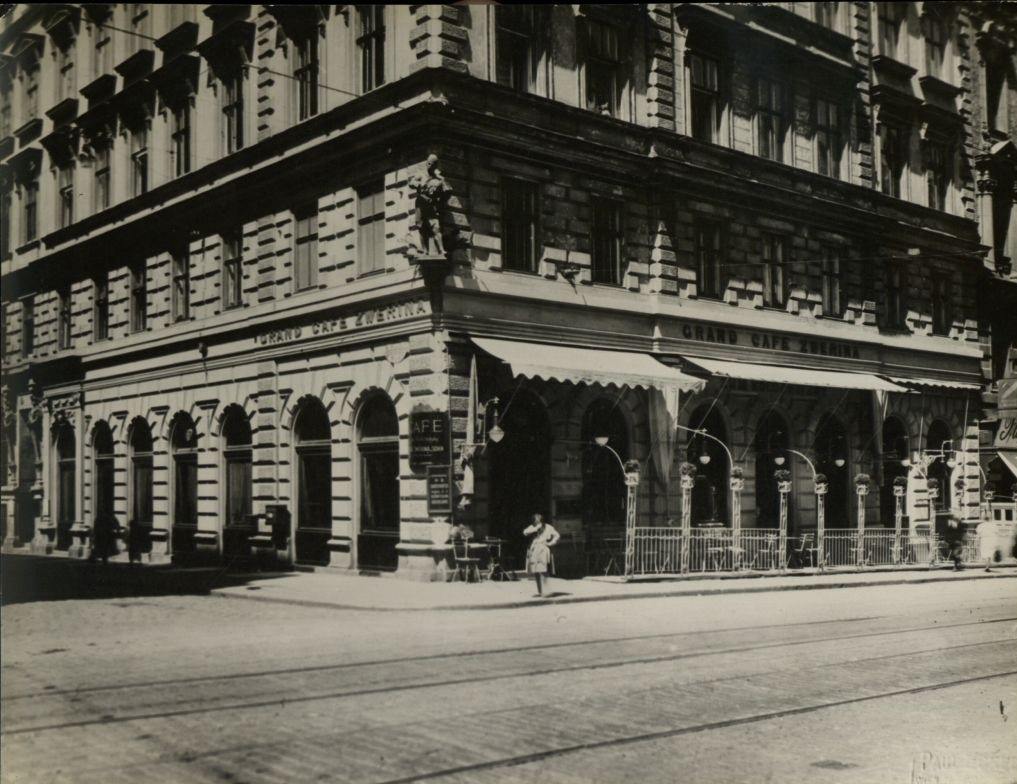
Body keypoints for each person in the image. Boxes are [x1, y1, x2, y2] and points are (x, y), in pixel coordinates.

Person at [523, 513, 560, 597]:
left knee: (543, 570)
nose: (537, 521)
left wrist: (550, 543)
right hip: (534, 549)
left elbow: (557, 535)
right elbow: (525, 532)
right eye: (535, 520)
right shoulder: (533, 527)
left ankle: (547, 592)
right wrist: (535, 529)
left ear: (542, 520)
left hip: (543, 549)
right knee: (536, 571)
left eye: (539, 520)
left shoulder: (548, 527)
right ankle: (540, 591)